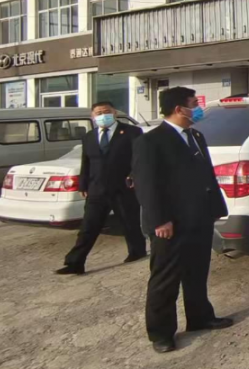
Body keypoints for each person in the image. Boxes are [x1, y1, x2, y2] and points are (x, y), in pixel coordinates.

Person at [132, 87, 232, 353]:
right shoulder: (151, 141)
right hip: (170, 224)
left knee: (197, 273)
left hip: (199, 218)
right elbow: (146, 185)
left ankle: (200, 317)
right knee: (165, 279)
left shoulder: (195, 136)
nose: (198, 108)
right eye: (194, 103)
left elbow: (205, 175)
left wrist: (215, 208)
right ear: (179, 109)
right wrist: (160, 220)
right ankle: (161, 333)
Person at [57, 102, 146, 275]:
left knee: (129, 223)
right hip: (97, 189)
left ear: (114, 113)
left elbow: (139, 157)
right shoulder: (89, 136)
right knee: (88, 227)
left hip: (123, 188)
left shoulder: (132, 132)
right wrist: (83, 184)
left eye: (106, 111)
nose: (103, 115)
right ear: (92, 116)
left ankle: (137, 251)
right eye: (98, 113)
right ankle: (75, 262)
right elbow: (86, 162)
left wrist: (133, 175)